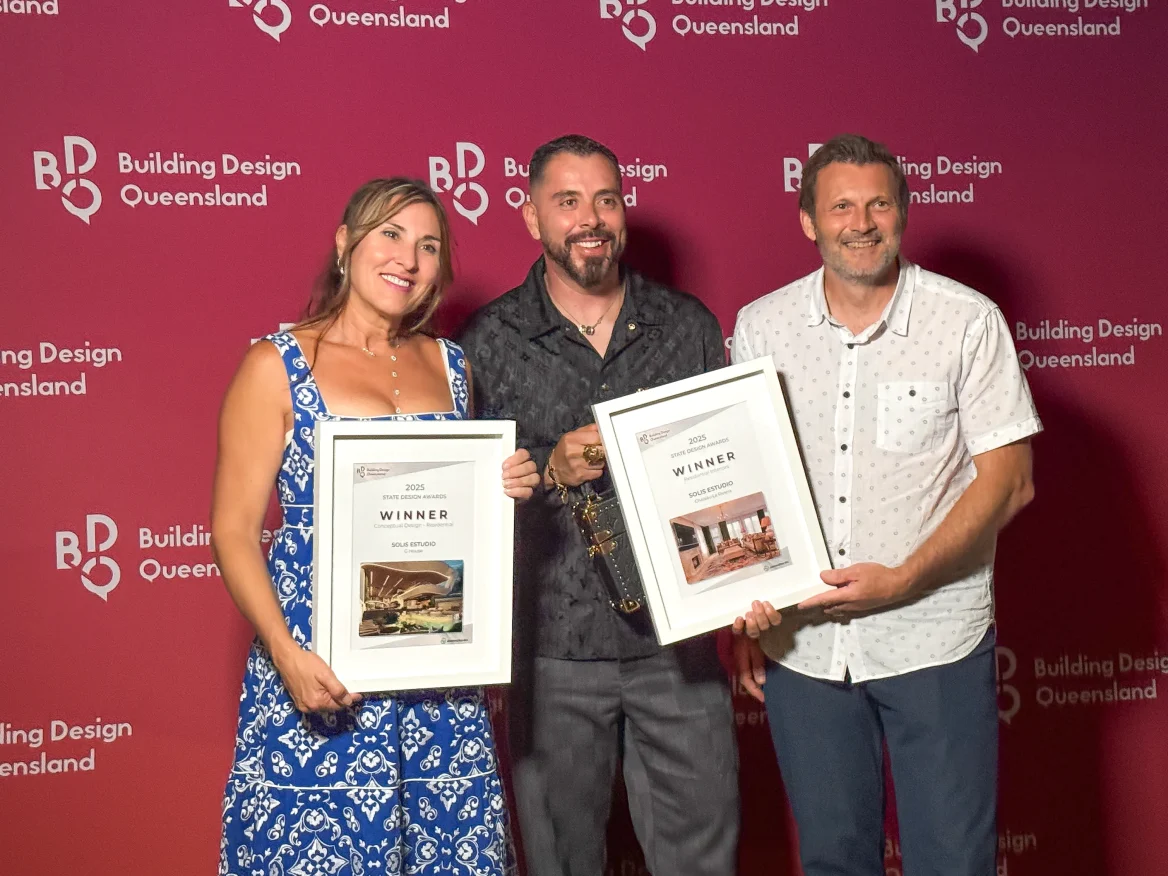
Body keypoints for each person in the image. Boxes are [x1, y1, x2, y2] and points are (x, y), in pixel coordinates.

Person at [731, 134, 1040, 876]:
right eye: (841, 206)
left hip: (934, 639)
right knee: (834, 860)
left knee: (953, 862)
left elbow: (1011, 481)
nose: (861, 223)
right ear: (809, 220)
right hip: (804, 648)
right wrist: (739, 608)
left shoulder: (965, 320)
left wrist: (903, 580)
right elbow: (742, 477)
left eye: (878, 205)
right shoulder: (761, 326)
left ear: (903, 213)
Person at [211, 178, 538, 876]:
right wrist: (286, 655)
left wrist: (501, 488)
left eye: (429, 245)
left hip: (437, 672)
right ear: (345, 244)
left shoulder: (451, 365)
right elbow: (233, 531)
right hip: (320, 664)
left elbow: (451, 516)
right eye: (390, 235)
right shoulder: (275, 364)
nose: (408, 260)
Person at [460, 135, 739, 876]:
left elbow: (729, 472)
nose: (590, 218)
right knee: (560, 860)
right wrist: (549, 467)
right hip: (553, 646)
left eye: (606, 199)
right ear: (531, 217)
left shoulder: (687, 326)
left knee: (703, 861)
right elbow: (466, 504)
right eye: (568, 201)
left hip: (680, 643)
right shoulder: (486, 340)